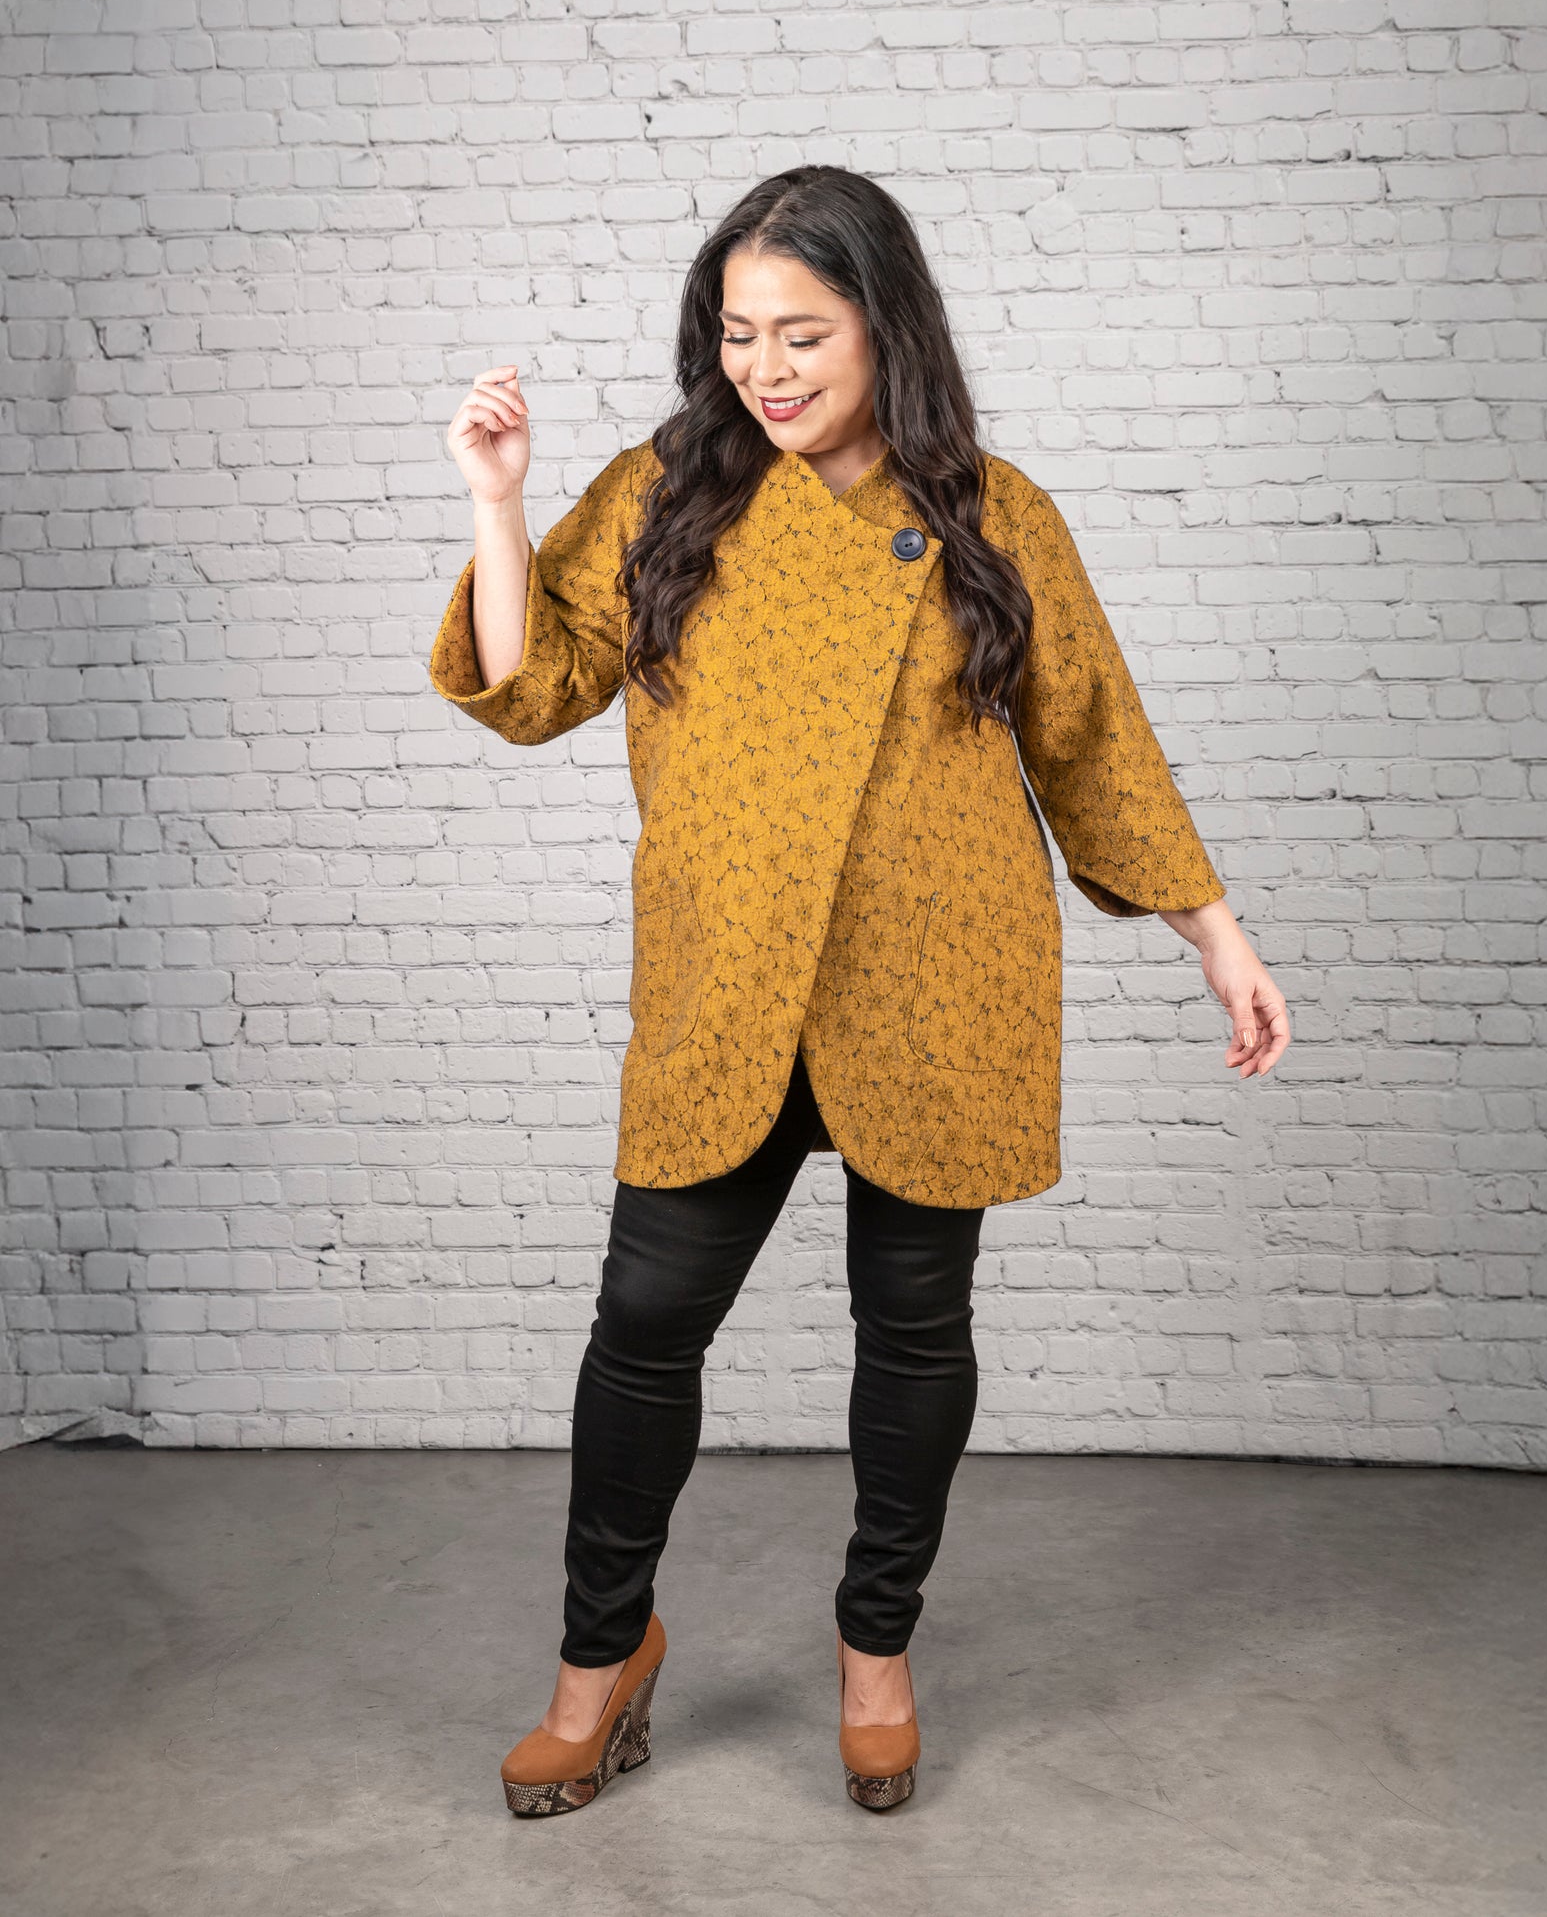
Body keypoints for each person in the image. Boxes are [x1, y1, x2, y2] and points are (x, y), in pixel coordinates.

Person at [429, 165, 1291, 1817]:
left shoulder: (991, 513)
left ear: (885, 325)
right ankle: (600, 1658)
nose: (766, 368)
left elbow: (1093, 741)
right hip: (730, 974)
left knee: (913, 1329)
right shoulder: (666, 492)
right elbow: (530, 687)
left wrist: (1216, 935)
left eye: (803, 334)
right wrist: (499, 505)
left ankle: (876, 1646)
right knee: (644, 1327)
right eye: (738, 333)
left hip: (937, 970)